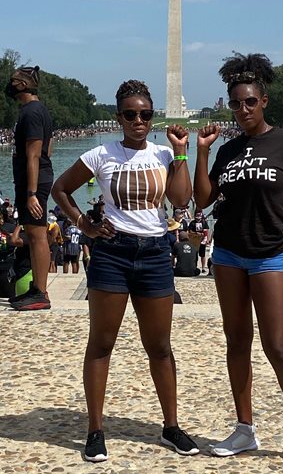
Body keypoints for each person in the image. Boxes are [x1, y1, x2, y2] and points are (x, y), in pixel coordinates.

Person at [51, 79, 198, 462]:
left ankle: (170, 425)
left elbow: (182, 199)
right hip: (112, 254)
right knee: (101, 343)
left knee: (160, 346)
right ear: (119, 117)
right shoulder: (101, 155)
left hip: (153, 255)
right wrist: (84, 224)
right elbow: (61, 189)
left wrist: (182, 152)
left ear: (152, 117)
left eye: (145, 114)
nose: (138, 120)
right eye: (131, 114)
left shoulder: (165, 155)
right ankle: (95, 429)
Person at [194, 52, 283, 468]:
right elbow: (202, 199)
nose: (242, 109)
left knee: (278, 346)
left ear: (263, 100)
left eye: (249, 102)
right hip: (228, 253)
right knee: (236, 343)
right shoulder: (227, 150)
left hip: (270, 254)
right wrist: (203, 153)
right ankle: (245, 428)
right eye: (235, 103)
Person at [5, 65, 53, 310]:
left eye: (13, 80)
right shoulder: (36, 110)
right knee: (34, 235)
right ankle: (36, 288)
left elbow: (34, 155)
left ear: (22, 85)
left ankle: (41, 292)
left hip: (34, 183)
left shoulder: (32, 112)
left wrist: (32, 193)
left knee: (36, 235)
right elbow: (49, 147)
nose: (9, 84)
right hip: (33, 179)